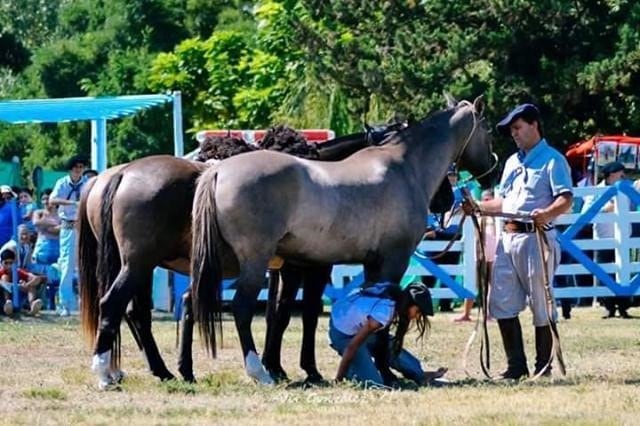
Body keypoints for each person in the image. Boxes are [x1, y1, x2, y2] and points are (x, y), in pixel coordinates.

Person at [464, 103, 573, 379]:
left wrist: (547, 213)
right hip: (507, 238)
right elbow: (505, 202)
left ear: (534, 124)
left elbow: (566, 198)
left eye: (517, 128)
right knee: (500, 301)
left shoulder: (552, 159)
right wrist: (477, 206)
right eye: (511, 130)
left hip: (536, 238)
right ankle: (516, 367)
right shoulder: (512, 162)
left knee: (541, 302)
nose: (514, 134)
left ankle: (543, 365)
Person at [329, 281, 447, 387]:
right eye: (418, 311)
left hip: (355, 326)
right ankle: (352, 371)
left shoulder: (392, 303)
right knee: (374, 384)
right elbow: (352, 346)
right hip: (342, 334)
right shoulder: (384, 312)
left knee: (390, 344)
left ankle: (420, 375)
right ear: (408, 303)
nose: (417, 316)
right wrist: (339, 379)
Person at [581, 161, 633, 318]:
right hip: (603, 239)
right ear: (611, 174)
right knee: (605, 275)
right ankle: (609, 307)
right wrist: (605, 209)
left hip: (624, 239)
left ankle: (624, 307)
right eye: (620, 172)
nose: (623, 175)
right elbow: (585, 213)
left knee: (624, 274)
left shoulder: (627, 187)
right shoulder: (596, 191)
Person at [49, 154, 89, 316]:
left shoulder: (87, 183)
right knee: (66, 266)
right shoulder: (62, 183)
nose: (79, 170)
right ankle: (65, 304)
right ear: (70, 169)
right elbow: (53, 200)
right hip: (68, 226)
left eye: (81, 167)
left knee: (85, 266)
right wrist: (72, 203)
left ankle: (84, 303)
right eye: (76, 167)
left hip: (83, 226)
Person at [454, 188, 497, 322]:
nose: (487, 202)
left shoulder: (497, 216)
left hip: (493, 253)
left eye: (490, 199)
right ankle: (467, 313)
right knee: (472, 282)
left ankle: (489, 312)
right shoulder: (477, 215)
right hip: (477, 252)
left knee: (492, 283)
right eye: (485, 200)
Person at [0, 249, 45, 316]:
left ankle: (32, 305)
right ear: (1, 263)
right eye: (6, 263)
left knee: (31, 285)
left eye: (11, 263)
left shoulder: (18, 271)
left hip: (19, 297)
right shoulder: (1, 272)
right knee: (4, 277)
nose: (9, 266)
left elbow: (36, 278)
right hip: (4, 298)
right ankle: (7, 305)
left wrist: (27, 285)